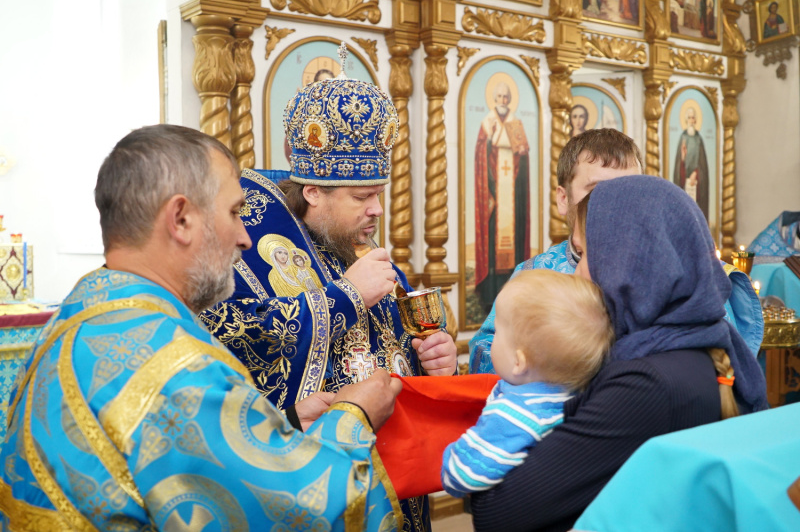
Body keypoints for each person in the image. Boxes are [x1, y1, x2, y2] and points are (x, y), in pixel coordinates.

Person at [0, 124, 405, 531]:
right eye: (234, 213)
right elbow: (307, 507)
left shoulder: (82, 311)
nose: (247, 238)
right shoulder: (175, 368)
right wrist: (354, 415)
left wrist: (290, 422)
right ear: (181, 219)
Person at [202, 47, 456, 532]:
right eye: (362, 197)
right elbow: (229, 334)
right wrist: (344, 298)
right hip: (315, 485)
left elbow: (401, 349)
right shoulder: (247, 237)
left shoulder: (361, 247)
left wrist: (438, 357)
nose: (378, 210)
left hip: (395, 478)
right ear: (313, 191)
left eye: (379, 193)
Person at [469, 175, 769, 532]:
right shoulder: (704, 342)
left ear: (628, 261)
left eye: (585, 254)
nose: (576, 272)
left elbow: (497, 514)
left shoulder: (645, 384)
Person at [469, 128, 763, 374]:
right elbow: (487, 355)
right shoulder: (535, 275)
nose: (617, 206)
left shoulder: (690, 272)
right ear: (563, 199)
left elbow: (722, 368)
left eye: (629, 189)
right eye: (597, 191)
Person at [442, 270, 614, 498]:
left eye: (498, 333)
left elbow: (460, 475)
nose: (492, 340)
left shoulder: (514, 414)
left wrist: (450, 454)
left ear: (518, 361)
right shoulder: (581, 395)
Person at [474, 79, 531, 315]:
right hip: (494, 194)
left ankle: (513, 293)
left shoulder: (516, 123)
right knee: (492, 241)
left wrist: (522, 153)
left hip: (512, 193)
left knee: (513, 240)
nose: (503, 100)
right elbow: (480, 156)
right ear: (494, 98)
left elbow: (523, 156)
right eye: (499, 96)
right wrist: (489, 142)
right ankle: (490, 296)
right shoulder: (487, 123)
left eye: (506, 96)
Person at [673, 106, 709, 219]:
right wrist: (683, 158)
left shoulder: (699, 139)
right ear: (686, 120)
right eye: (689, 118)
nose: (691, 120)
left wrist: (696, 174)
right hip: (685, 184)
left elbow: (702, 164)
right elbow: (679, 167)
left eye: (693, 118)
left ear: (696, 120)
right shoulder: (682, 137)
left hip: (697, 185)